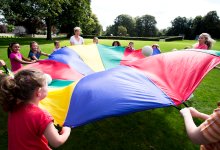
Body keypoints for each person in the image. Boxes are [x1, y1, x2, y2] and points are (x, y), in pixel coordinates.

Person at [0, 69, 71, 150]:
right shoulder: (41, 115)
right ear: (38, 91)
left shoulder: (14, 107)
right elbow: (56, 141)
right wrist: (67, 130)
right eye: (46, 85)